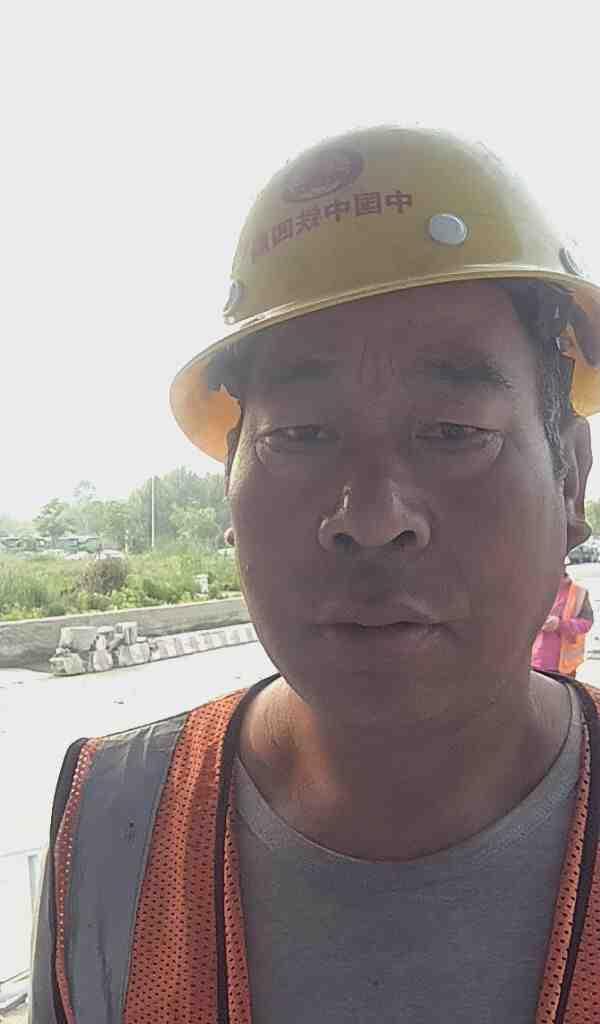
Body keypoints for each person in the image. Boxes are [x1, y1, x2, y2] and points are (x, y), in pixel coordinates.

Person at [30, 127, 600, 1023]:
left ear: (570, 480)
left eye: (453, 431)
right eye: (299, 435)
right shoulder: (111, 824)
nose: (370, 518)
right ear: (230, 482)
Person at [532, 566, 594, 676]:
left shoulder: (579, 592)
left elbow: (587, 623)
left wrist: (560, 624)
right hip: (533, 662)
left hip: (563, 667)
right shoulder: (536, 589)